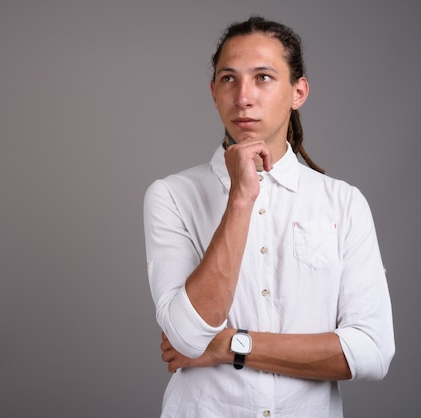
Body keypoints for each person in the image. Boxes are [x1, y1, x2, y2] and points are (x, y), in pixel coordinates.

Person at [143, 16, 395, 418]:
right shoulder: (172, 196)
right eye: (228, 79)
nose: (243, 96)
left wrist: (230, 346)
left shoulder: (343, 203)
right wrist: (240, 198)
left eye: (262, 77)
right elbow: (190, 339)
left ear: (298, 92)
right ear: (213, 92)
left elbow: (371, 352)